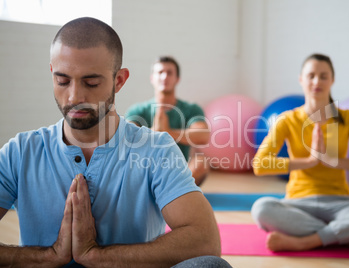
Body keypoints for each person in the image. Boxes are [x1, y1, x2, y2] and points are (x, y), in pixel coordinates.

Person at [0, 17, 232, 268]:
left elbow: (206, 241)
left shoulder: (156, 149)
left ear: (119, 80)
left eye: (91, 82)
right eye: (63, 80)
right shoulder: (20, 151)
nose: (75, 96)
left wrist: (96, 256)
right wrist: (49, 256)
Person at [251, 53, 349, 252]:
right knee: (262, 208)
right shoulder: (287, 120)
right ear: (301, 79)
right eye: (311, 75)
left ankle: (307, 241)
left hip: (341, 204)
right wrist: (310, 161)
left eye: (323, 76)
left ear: (332, 80)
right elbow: (260, 165)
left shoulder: (348, 119)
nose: (317, 81)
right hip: (298, 204)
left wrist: (336, 162)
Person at [125, 56, 210, 186]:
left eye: (169, 73)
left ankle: (171, 191)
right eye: (160, 72)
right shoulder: (138, 110)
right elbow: (127, 139)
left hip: (179, 172)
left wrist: (167, 132)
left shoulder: (191, 109)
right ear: (152, 78)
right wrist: (155, 133)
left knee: (201, 163)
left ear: (177, 79)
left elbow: (203, 135)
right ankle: (168, 192)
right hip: (146, 170)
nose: (164, 77)